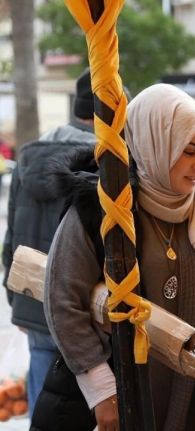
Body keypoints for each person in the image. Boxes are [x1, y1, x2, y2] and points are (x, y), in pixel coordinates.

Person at [39, 84, 195, 431]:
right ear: (154, 144)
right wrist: (101, 391)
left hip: (189, 394)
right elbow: (63, 299)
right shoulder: (103, 208)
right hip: (116, 389)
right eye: (188, 151)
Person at [2, 68, 97, 416]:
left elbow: (10, 241)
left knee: (45, 414)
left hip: (34, 304)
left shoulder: (28, 158)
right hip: (85, 312)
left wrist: (16, 300)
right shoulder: (104, 163)